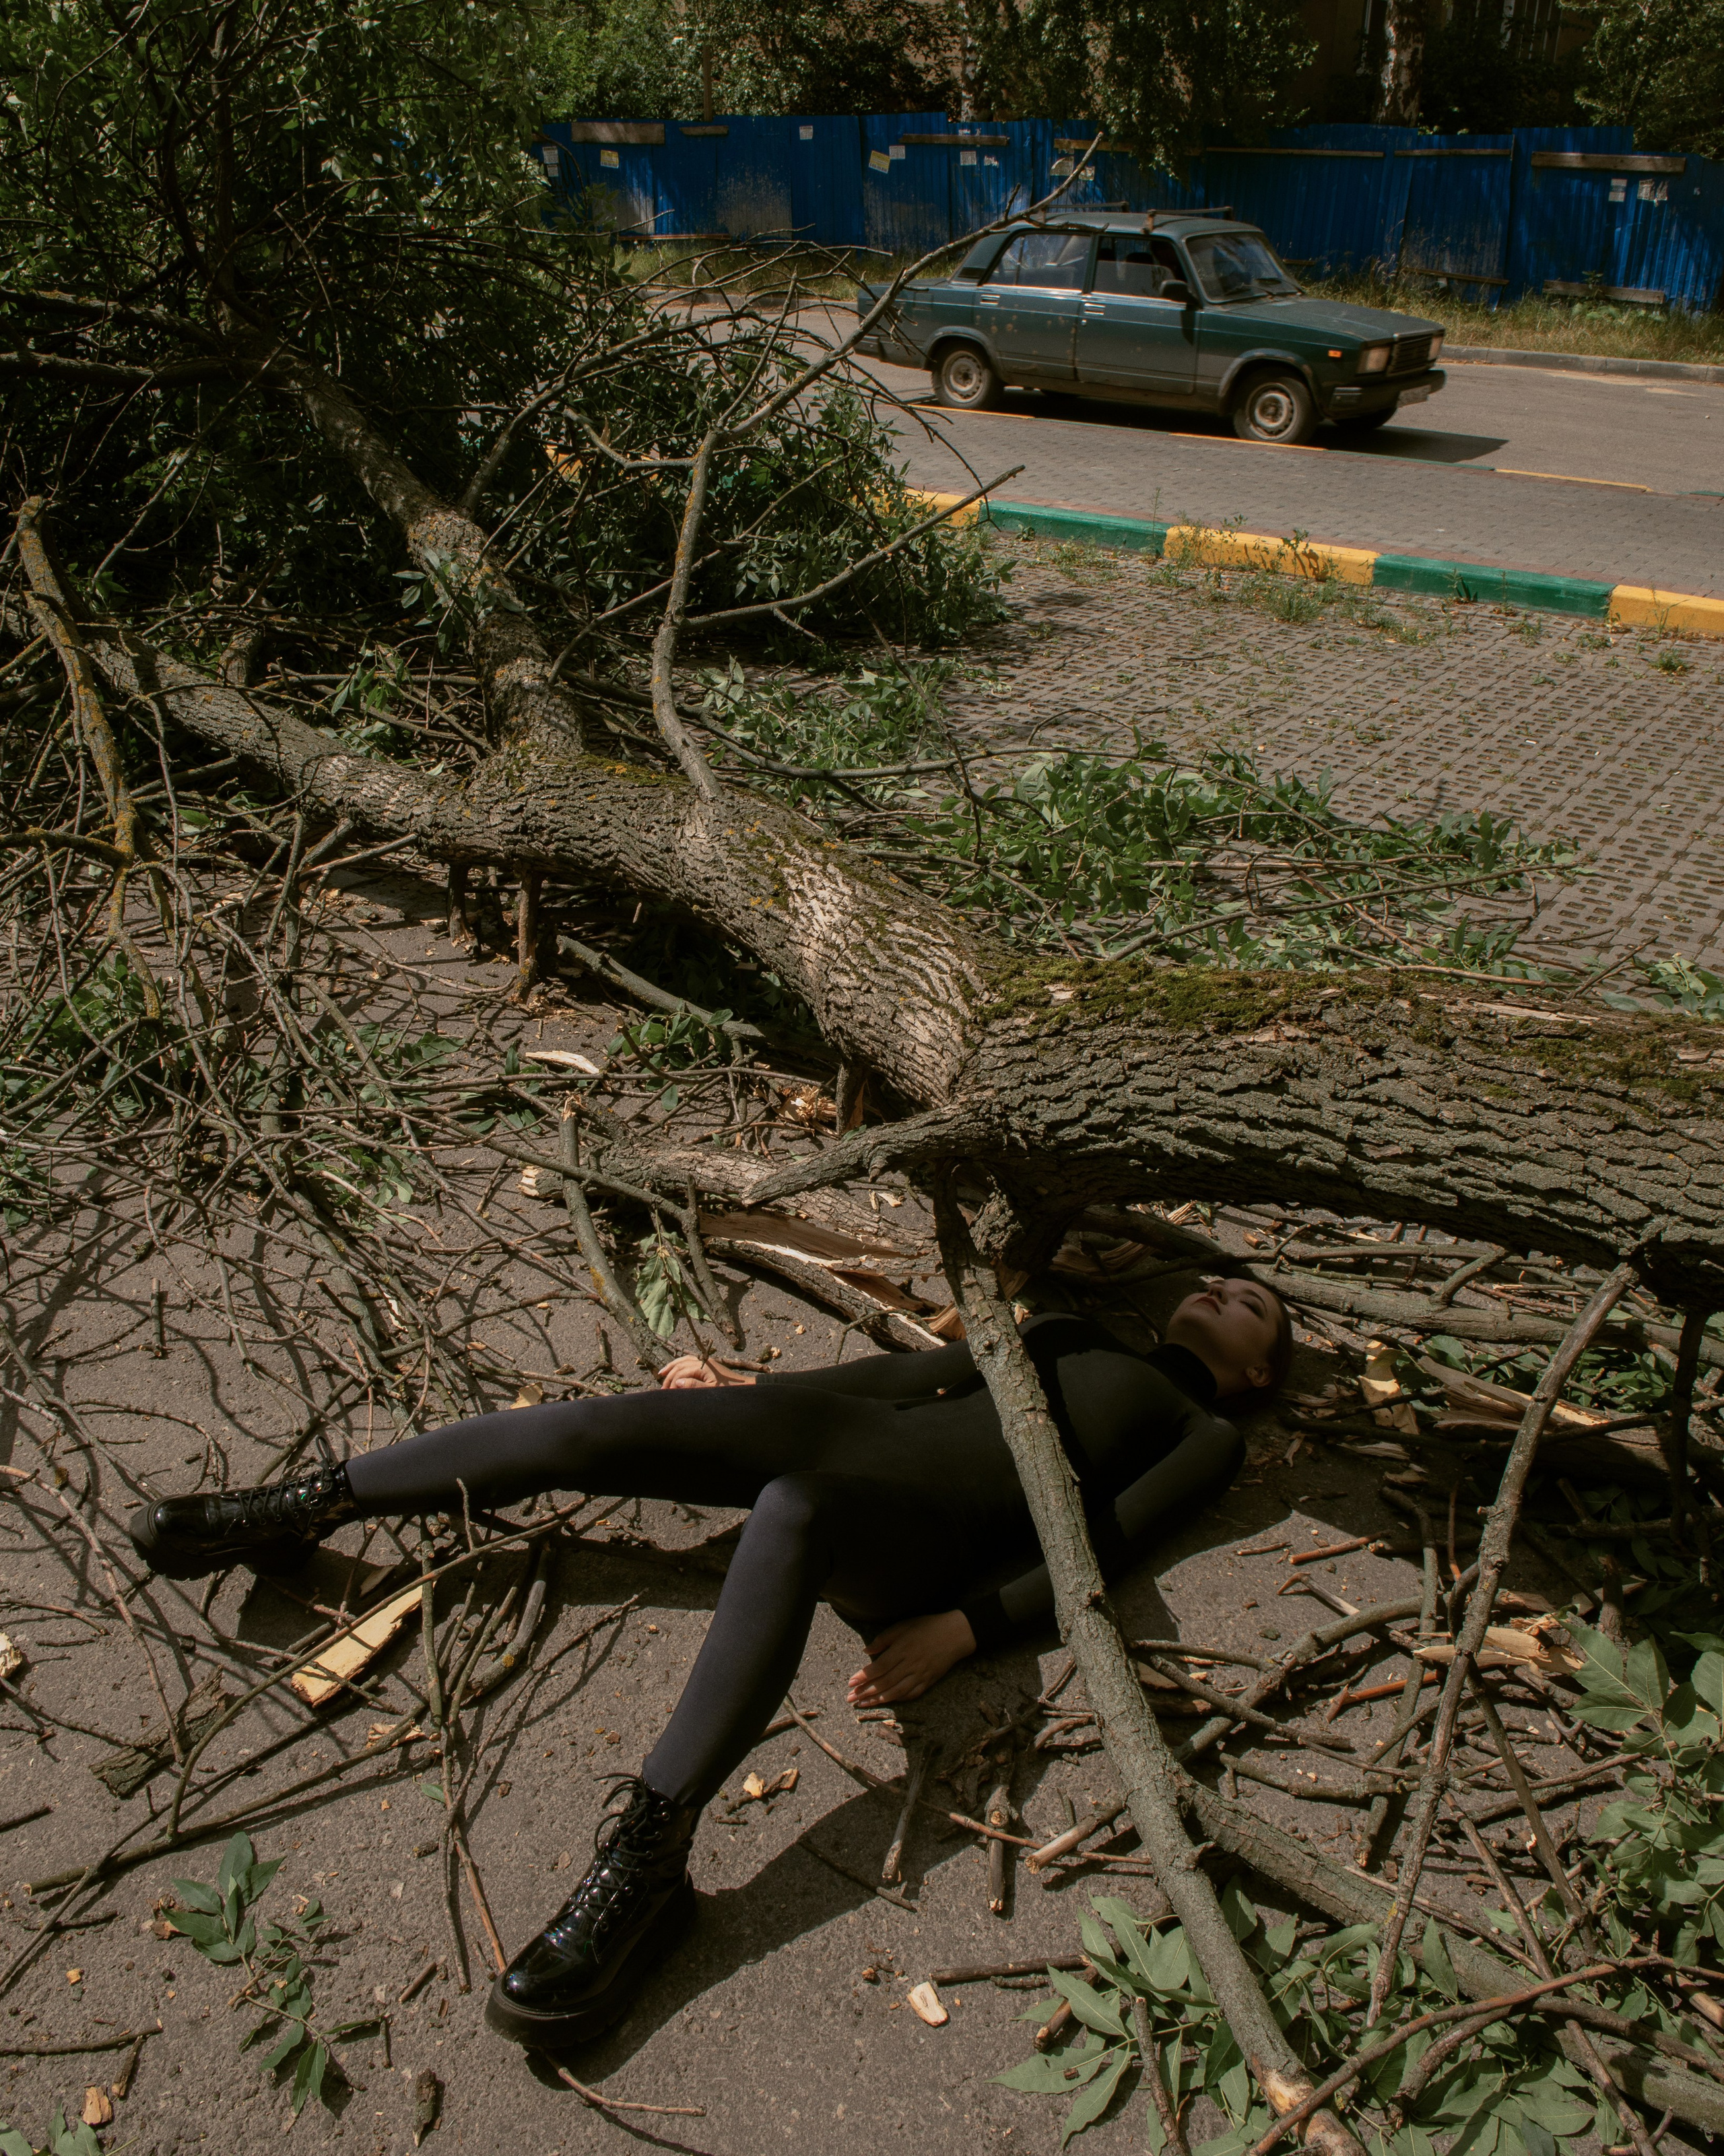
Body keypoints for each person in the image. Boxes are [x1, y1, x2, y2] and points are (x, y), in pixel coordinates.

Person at [128, 1273, 1290, 2052]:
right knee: (599, 1428)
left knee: (794, 1510)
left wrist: (970, 1627)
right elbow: (903, 1380)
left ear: (1255, 1373)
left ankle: (649, 1863)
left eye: (1250, 1307)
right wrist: (757, 1392)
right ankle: (300, 1504)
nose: (1218, 1290)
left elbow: (1112, 1539)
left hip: (926, 1528)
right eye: (1215, 1277)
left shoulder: (1209, 1435)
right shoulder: (1068, 1327)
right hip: (860, 1432)